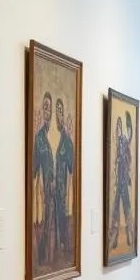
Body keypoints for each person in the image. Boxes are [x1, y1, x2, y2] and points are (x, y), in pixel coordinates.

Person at [32, 92, 56, 266]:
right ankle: (42, 252)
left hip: (55, 187)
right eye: (45, 107)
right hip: (44, 187)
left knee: (52, 222)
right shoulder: (39, 137)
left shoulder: (54, 135)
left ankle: (49, 252)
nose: (47, 111)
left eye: (49, 108)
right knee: (45, 221)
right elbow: (35, 165)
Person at [108, 112, 135, 249]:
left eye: (119, 126)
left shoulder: (124, 140)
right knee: (115, 209)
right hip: (118, 181)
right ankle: (114, 235)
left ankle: (130, 231)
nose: (118, 129)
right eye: (117, 126)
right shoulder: (116, 143)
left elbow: (128, 156)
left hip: (124, 179)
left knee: (127, 206)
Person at [54, 97, 75, 263]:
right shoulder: (49, 136)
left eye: (61, 111)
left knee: (62, 218)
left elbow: (72, 168)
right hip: (50, 189)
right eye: (57, 111)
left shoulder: (67, 140)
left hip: (62, 189)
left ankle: (64, 244)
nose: (58, 115)